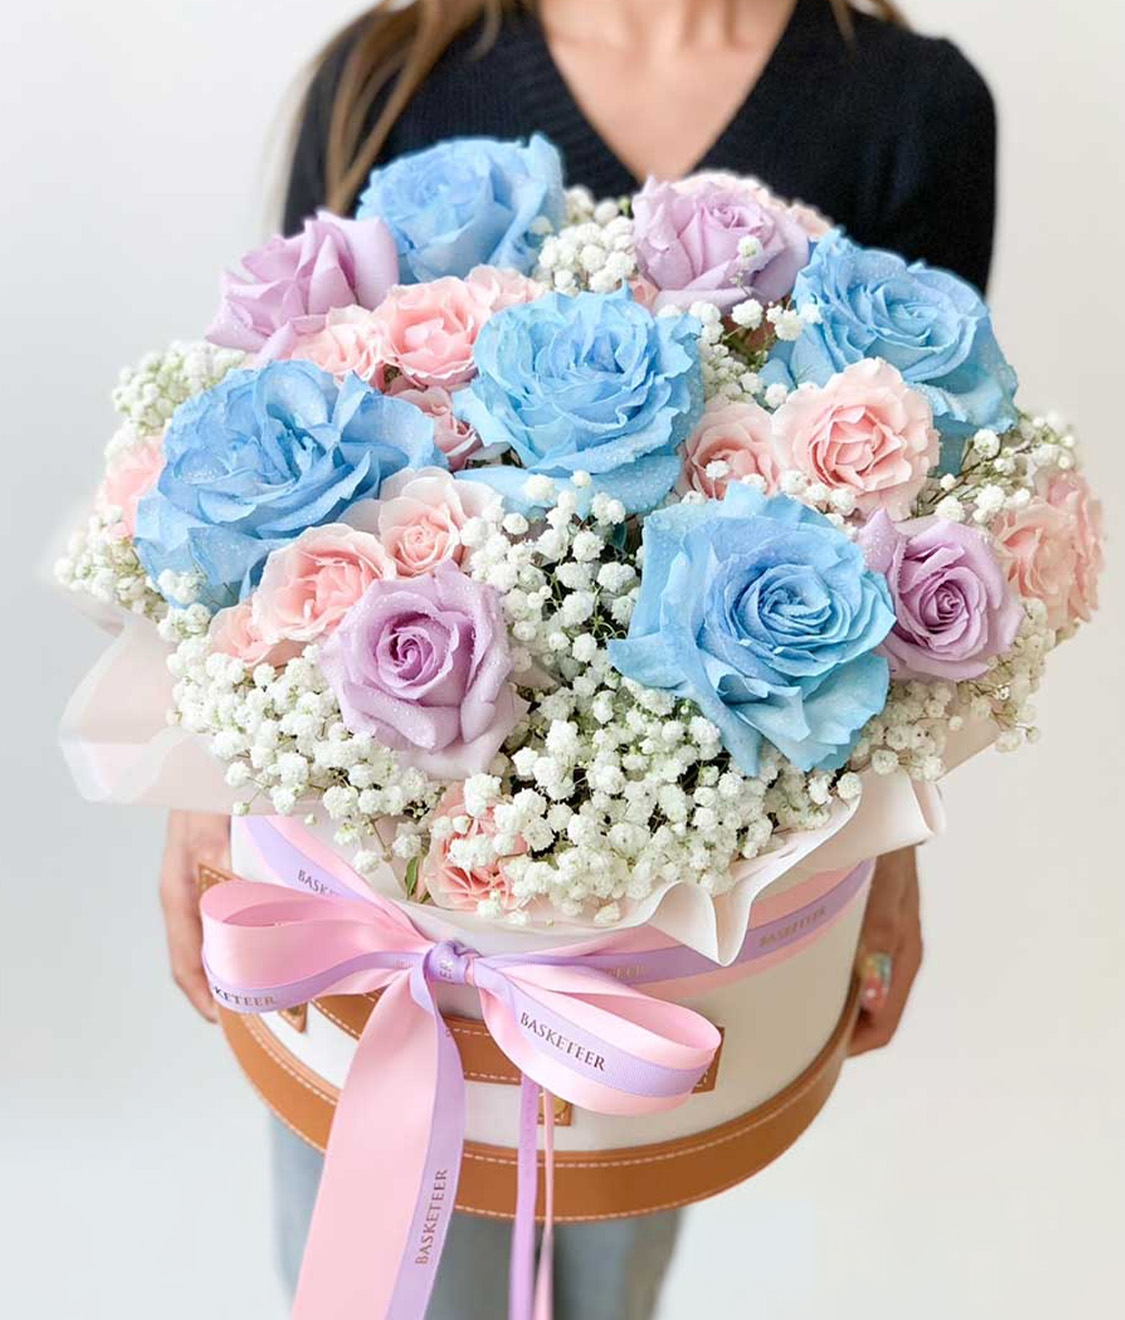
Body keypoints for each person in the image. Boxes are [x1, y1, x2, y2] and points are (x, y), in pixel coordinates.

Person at [161, 2, 995, 1315]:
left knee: (607, 1274)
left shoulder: (909, 106)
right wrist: (200, 785)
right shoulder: (394, 73)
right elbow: (258, 465)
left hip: (682, 900)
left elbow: (931, 526)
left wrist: (886, 857)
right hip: (373, 874)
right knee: (374, 1262)